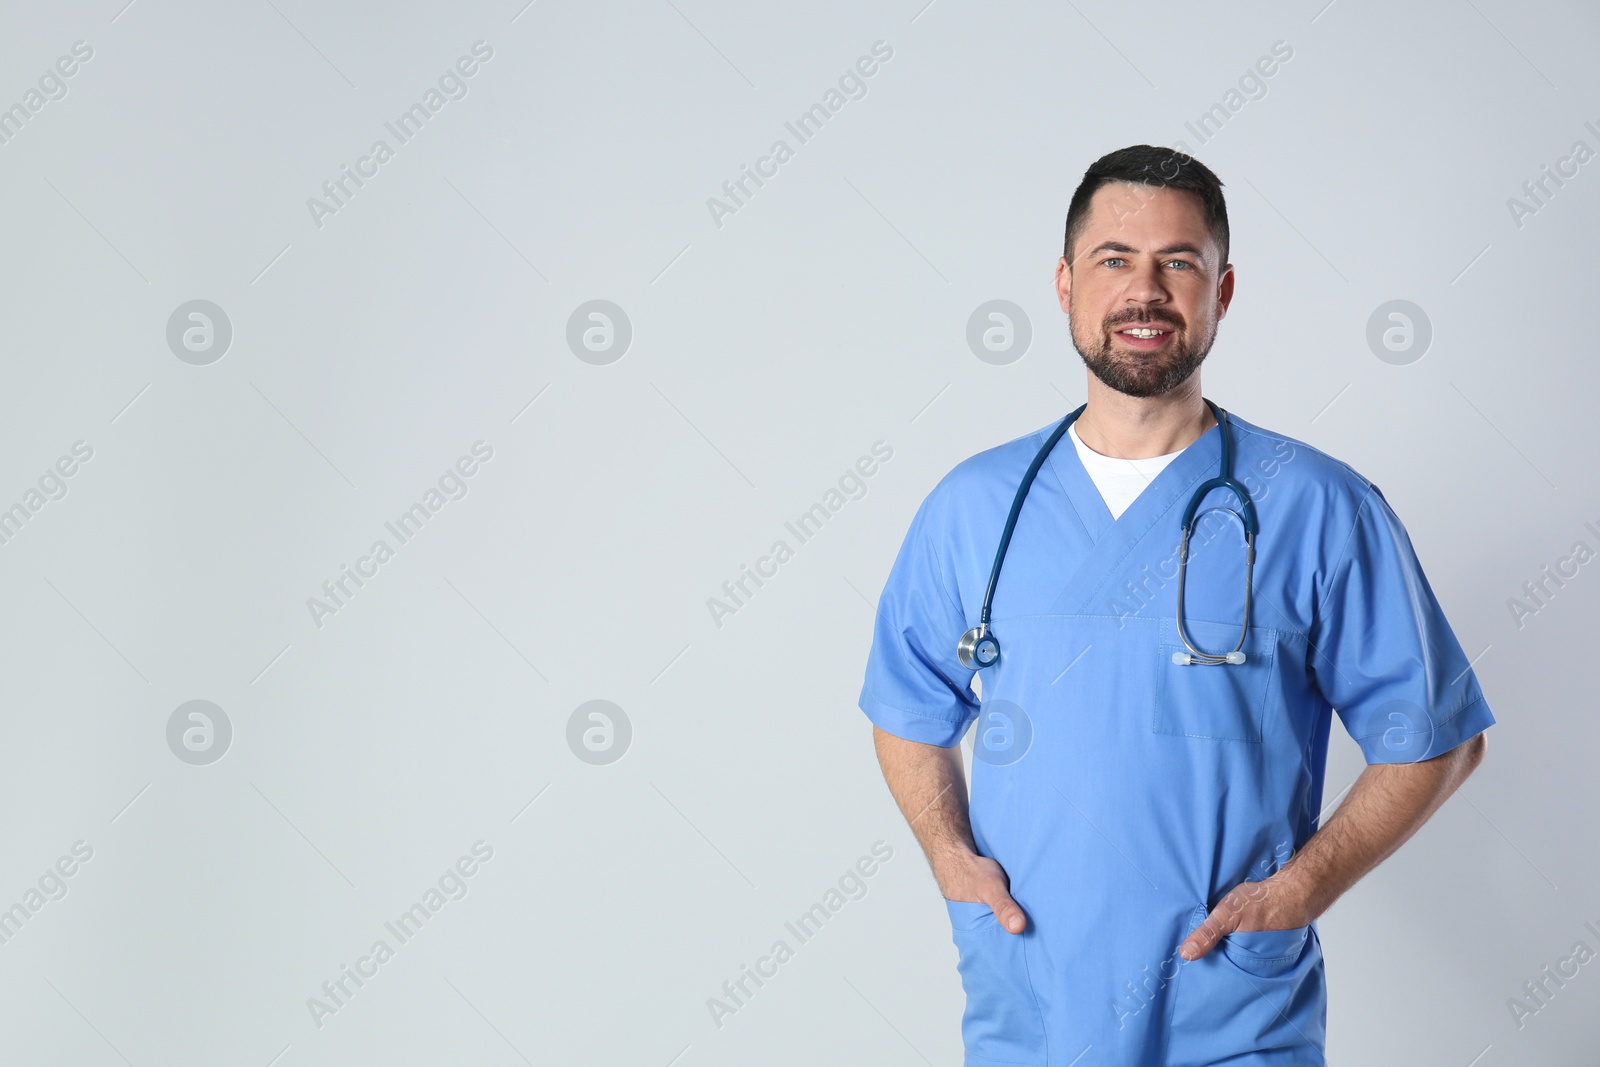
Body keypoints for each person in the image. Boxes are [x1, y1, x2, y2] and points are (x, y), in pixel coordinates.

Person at [858, 144, 1494, 1066]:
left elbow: (1438, 737)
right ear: (1066, 282)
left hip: (1230, 1010)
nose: (1144, 291)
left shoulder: (1316, 504)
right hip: (1029, 1006)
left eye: (1178, 263)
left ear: (1222, 291)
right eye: (1115, 259)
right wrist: (950, 859)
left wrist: (1298, 891)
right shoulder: (974, 507)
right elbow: (907, 706)